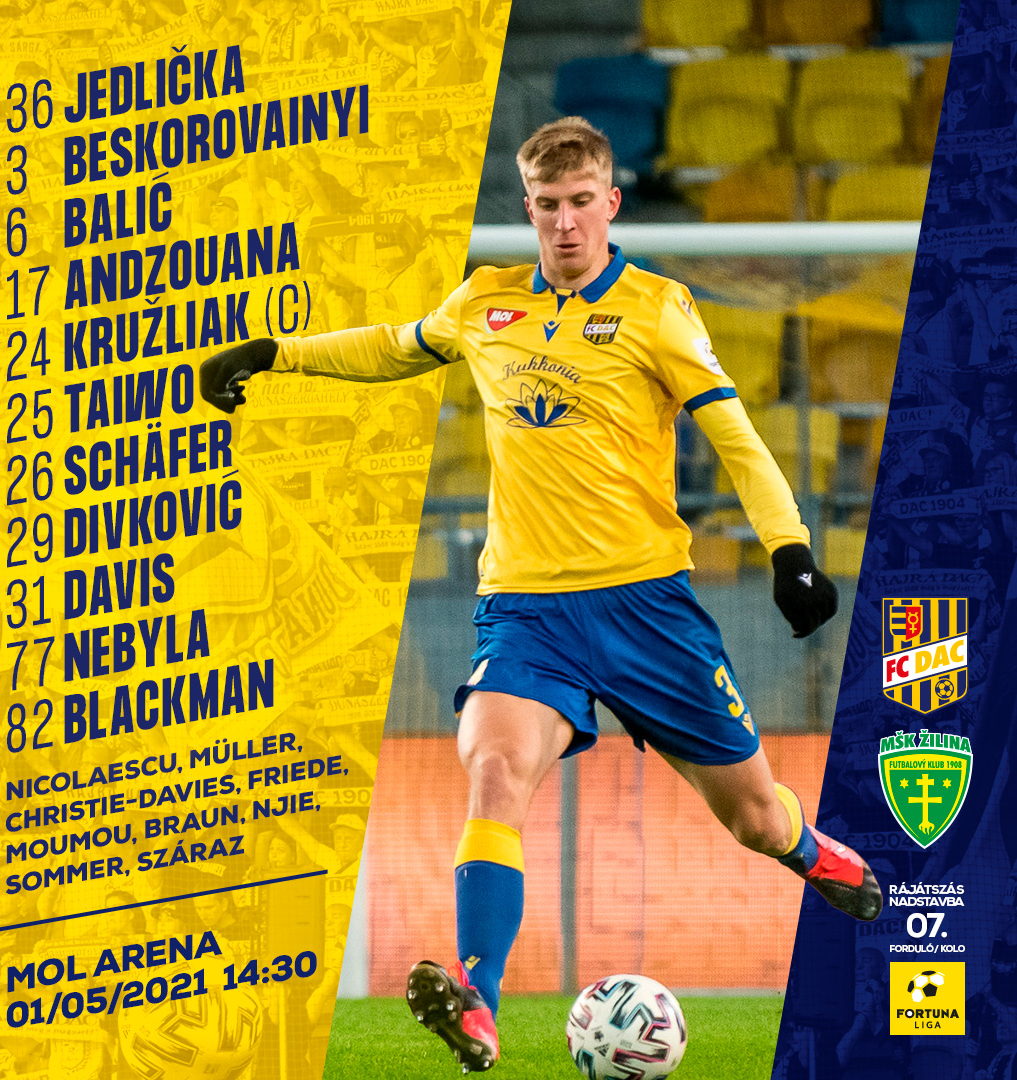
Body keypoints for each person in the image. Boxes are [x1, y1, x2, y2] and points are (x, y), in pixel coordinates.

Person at [200, 117, 882, 1074]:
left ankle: (811, 852)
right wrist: (275, 353)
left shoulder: (658, 310)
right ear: (528, 208)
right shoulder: (485, 301)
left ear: (611, 203)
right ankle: (476, 998)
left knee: (755, 821)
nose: (566, 223)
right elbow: (395, 346)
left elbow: (735, 437)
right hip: (524, 609)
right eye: (548, 206)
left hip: (647, 609)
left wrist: (790, 549)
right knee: (494, 769)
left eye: (581, 203)